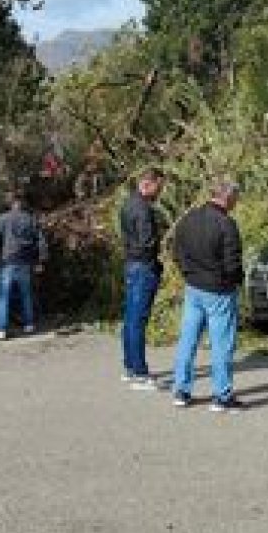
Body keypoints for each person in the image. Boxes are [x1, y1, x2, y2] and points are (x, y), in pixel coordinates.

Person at [172, 179, 244, 413]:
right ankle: (221, 395)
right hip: (218, 291)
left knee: (187, 339)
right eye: (235, 196)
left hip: (194, 287)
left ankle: (181, 390)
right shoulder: (226, 224)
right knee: (222, 343)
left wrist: (187, 273)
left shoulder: (188, 218)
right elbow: (233, 264)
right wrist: (234, 283)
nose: (236, 201)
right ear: (226, 197)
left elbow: (177, 250)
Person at [119, 167, 166, 390]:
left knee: (130, 319)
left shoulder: (128, 203)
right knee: (137, 320)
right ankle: (139, 372)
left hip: (131, 264)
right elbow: (148, 242)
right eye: (160, 186)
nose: (161, 191)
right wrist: (156, 261)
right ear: (149, 184)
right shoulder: (143, 209)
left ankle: (130, 366)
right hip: (143, 266)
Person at [0, 190, 48, 340]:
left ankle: (0, 329)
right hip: (25, 262)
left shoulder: (3, 218)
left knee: (3, 295)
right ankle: (29, 324)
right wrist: (41, 260)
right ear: (22, 203)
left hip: (8, 260)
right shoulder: (31, 219)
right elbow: (41, 241)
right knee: (26, 293)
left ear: (11, 203)